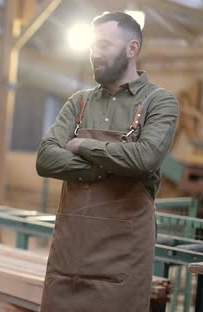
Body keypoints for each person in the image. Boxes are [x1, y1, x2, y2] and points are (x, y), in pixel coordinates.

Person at [36, 12, 178, 311]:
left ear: (132, 48)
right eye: (91, 47)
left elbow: (145, 159)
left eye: (103, 45)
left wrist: (82, 145)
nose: (94, 54)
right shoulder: (79, 102)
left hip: (122, 266)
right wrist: (109, 166)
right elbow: (46, 159)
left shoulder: (159, 102)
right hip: (68, 260)